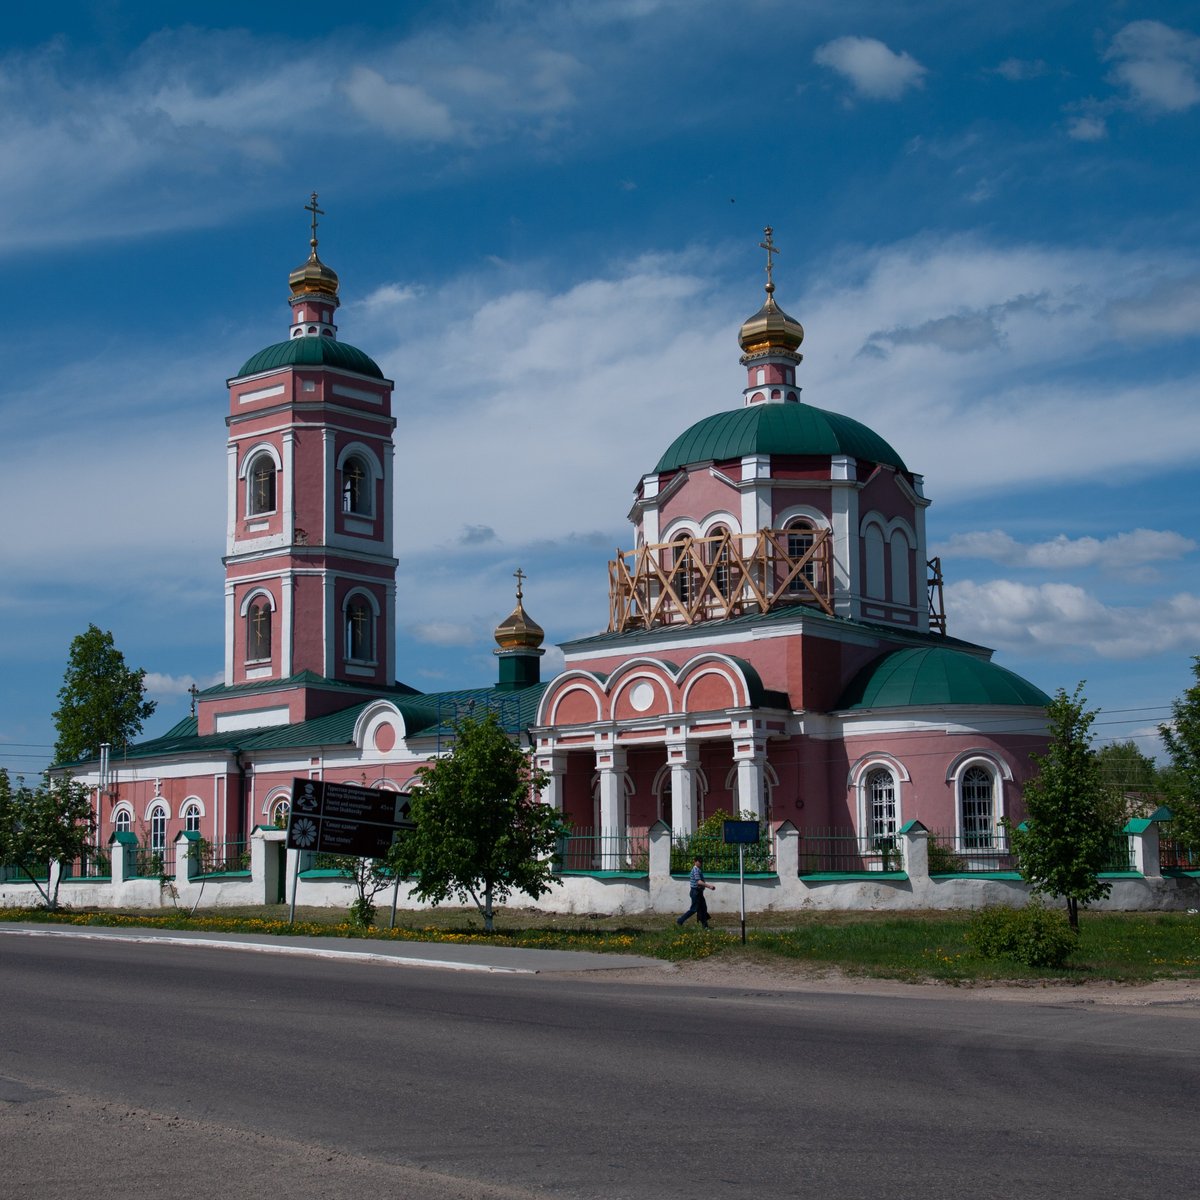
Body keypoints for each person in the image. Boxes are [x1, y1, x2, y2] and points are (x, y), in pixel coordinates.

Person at [676, 856, 715, 929]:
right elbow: (699, 882)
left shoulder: (698, 869)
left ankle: (705, 926)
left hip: (698, 892)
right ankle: (680, 920)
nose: (700, 863)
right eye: (699, 861)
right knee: (694, 909)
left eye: (701, 861)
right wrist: (709, 886)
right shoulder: (696, 870)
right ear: (695, 861)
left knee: (703, 908)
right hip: (695, 892)